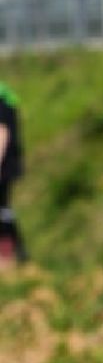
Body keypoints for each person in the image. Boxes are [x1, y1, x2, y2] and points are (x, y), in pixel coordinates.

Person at [0, 81, 25, 266]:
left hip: (4, 164)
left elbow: (1, 133)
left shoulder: (1, 101)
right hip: (9, 162)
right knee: (4, 208)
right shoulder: (7, 98)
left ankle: (7, 257)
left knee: (3, 209)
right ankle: (19, 254)